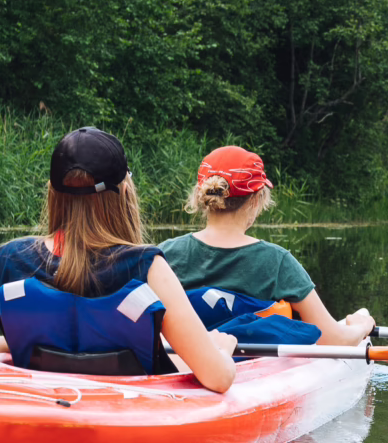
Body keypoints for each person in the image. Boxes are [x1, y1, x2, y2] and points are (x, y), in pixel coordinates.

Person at [0, 127, 237, 389]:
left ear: (53, 194)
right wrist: (221, 350)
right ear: (124, 194)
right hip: (129, 422)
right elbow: (218, 378)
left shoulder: (8, 260)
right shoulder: (147, 267)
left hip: (42, 413)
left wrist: (9, 343)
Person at [161, 146, 376, 346]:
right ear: (256, 200)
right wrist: (361, 325)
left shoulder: (164, 256)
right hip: (248, 371)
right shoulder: (278, 262)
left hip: (178, 365)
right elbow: (332, 339)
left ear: (202, 197)